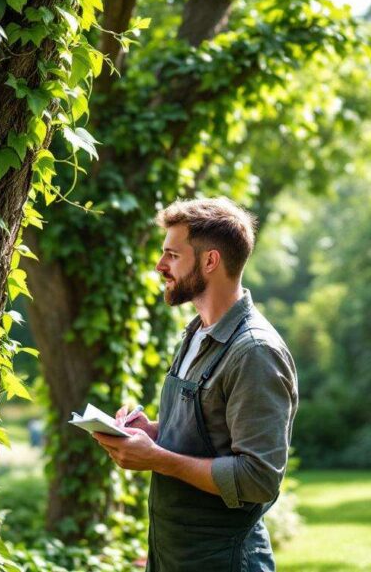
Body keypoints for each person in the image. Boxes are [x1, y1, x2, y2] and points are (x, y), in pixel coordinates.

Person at [91, 197, 298, 571]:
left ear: (210, 261)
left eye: (172, 255)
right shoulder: (196, 335)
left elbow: (258, 478)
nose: (160, 265)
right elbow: (211, 435)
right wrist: (155, 432)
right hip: (173, 557)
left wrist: (157, 458)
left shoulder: (254, 352)